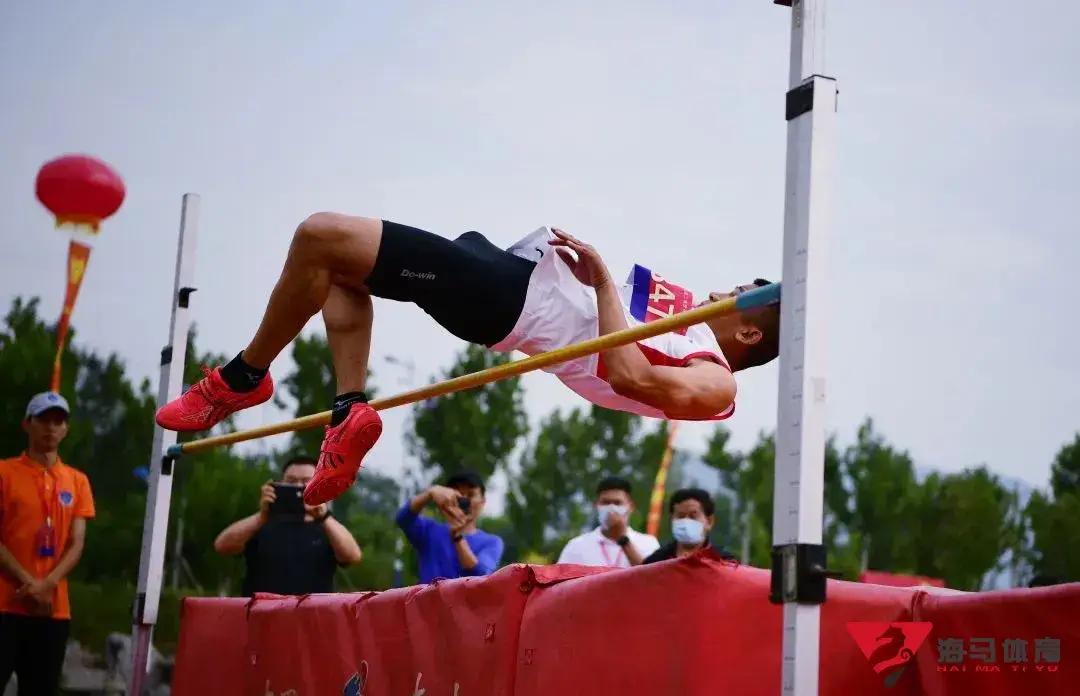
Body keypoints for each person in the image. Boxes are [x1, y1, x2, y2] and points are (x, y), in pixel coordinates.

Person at [154, 218, 780, 506]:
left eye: (739, 293)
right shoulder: (691, 323)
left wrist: (602, 283)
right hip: (508, 276)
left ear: (750, 330)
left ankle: (242, 378)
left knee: (320, 236)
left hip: (511, 302)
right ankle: (348, 410)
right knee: (336, 269)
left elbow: (629, 376)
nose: (722, 289)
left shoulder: (715, 379)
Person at [0, 392, 95, 696]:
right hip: (5, 603)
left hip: (52, 611)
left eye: (58, 421)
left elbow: (77, 542)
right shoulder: (4, 472)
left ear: (66, 429)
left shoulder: (77, 481)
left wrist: (47, 584)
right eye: (43, 420)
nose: (51, 427)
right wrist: (29, 582)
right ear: (27, 424)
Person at [213, 456, 363, 596]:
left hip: (313, 613)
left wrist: (323, 516)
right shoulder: (261, 525)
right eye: (291, 481)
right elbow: (222, 546)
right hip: (264, 613)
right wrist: (262, 516)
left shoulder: (327, 528)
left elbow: (353, 556)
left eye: (306, 482)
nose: (298, 487)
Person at [395, 470, 504, 583]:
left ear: (482, 501)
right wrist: (430, 493)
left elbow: (480, 575)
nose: (464, 500)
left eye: (471, 495)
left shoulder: (492, 542)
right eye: (458, 495)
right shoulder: (430, 531)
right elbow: (403, 518)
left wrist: (457, 536)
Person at [557, 476, 659, 568]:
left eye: (617, 503)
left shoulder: (648, 543)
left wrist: (622, 538)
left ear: (630, 507)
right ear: (596, 505)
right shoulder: (576, 547)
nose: (611, 508)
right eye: (605, 503)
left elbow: (652, 577)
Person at [643, 488, 736, 565]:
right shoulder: (655, 562)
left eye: (693, 516)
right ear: (671, 519)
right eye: (680, 516)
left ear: (709, 521)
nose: (686, 521)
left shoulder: (724, 562)